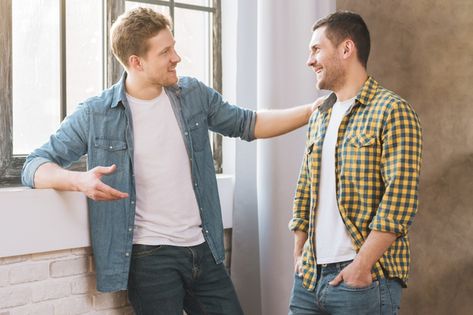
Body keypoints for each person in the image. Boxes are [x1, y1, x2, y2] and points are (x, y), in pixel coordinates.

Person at [21, 7, 320, 315]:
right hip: (150, 260)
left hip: (204, 250)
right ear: (136, 62)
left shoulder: (192, 95)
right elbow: (34, 165)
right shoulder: (97, 114)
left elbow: (248, 123)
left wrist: (310, 112)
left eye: (173, 47)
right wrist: (79, 181)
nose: (176, 57)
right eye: (165, 52)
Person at [288, 11, 422, 315]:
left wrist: (361, 265)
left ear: (346, 49)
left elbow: (400, 200)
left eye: (316, 49)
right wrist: (299, 254)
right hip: (309, 279)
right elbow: (305, 188)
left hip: (363, 280)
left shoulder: (392, 112)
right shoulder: (320, 115)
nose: (310, 60)